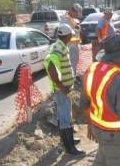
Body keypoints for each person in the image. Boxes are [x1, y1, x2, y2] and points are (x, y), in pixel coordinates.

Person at [80, 34, 120, 166]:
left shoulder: (91, 69)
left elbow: (84, 104)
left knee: (102, 157)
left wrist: (90, 125)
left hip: (98, 129)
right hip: (114, 136)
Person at [43, 24, 85, 155]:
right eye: (71, 34)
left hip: (66, 88)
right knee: (65, 116)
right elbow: (50, 66)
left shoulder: (62, 46)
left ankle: (69, 139)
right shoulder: (57, 49)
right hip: (62, 90)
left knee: (66, 115)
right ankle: (69, 148)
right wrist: (62, 87)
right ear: (67, 35)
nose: (72, 36)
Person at [61, 3, 82, 79]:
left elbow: (77, 29)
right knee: (71, 62)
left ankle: (74, 76)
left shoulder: (72, 18)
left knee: (74, 62)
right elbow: (67, 32)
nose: (77, 15)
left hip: (75, 44)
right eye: (77, 13)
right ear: (73, 11)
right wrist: (76, 29)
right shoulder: (65, 18)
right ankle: (72, 79)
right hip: (70, 45)